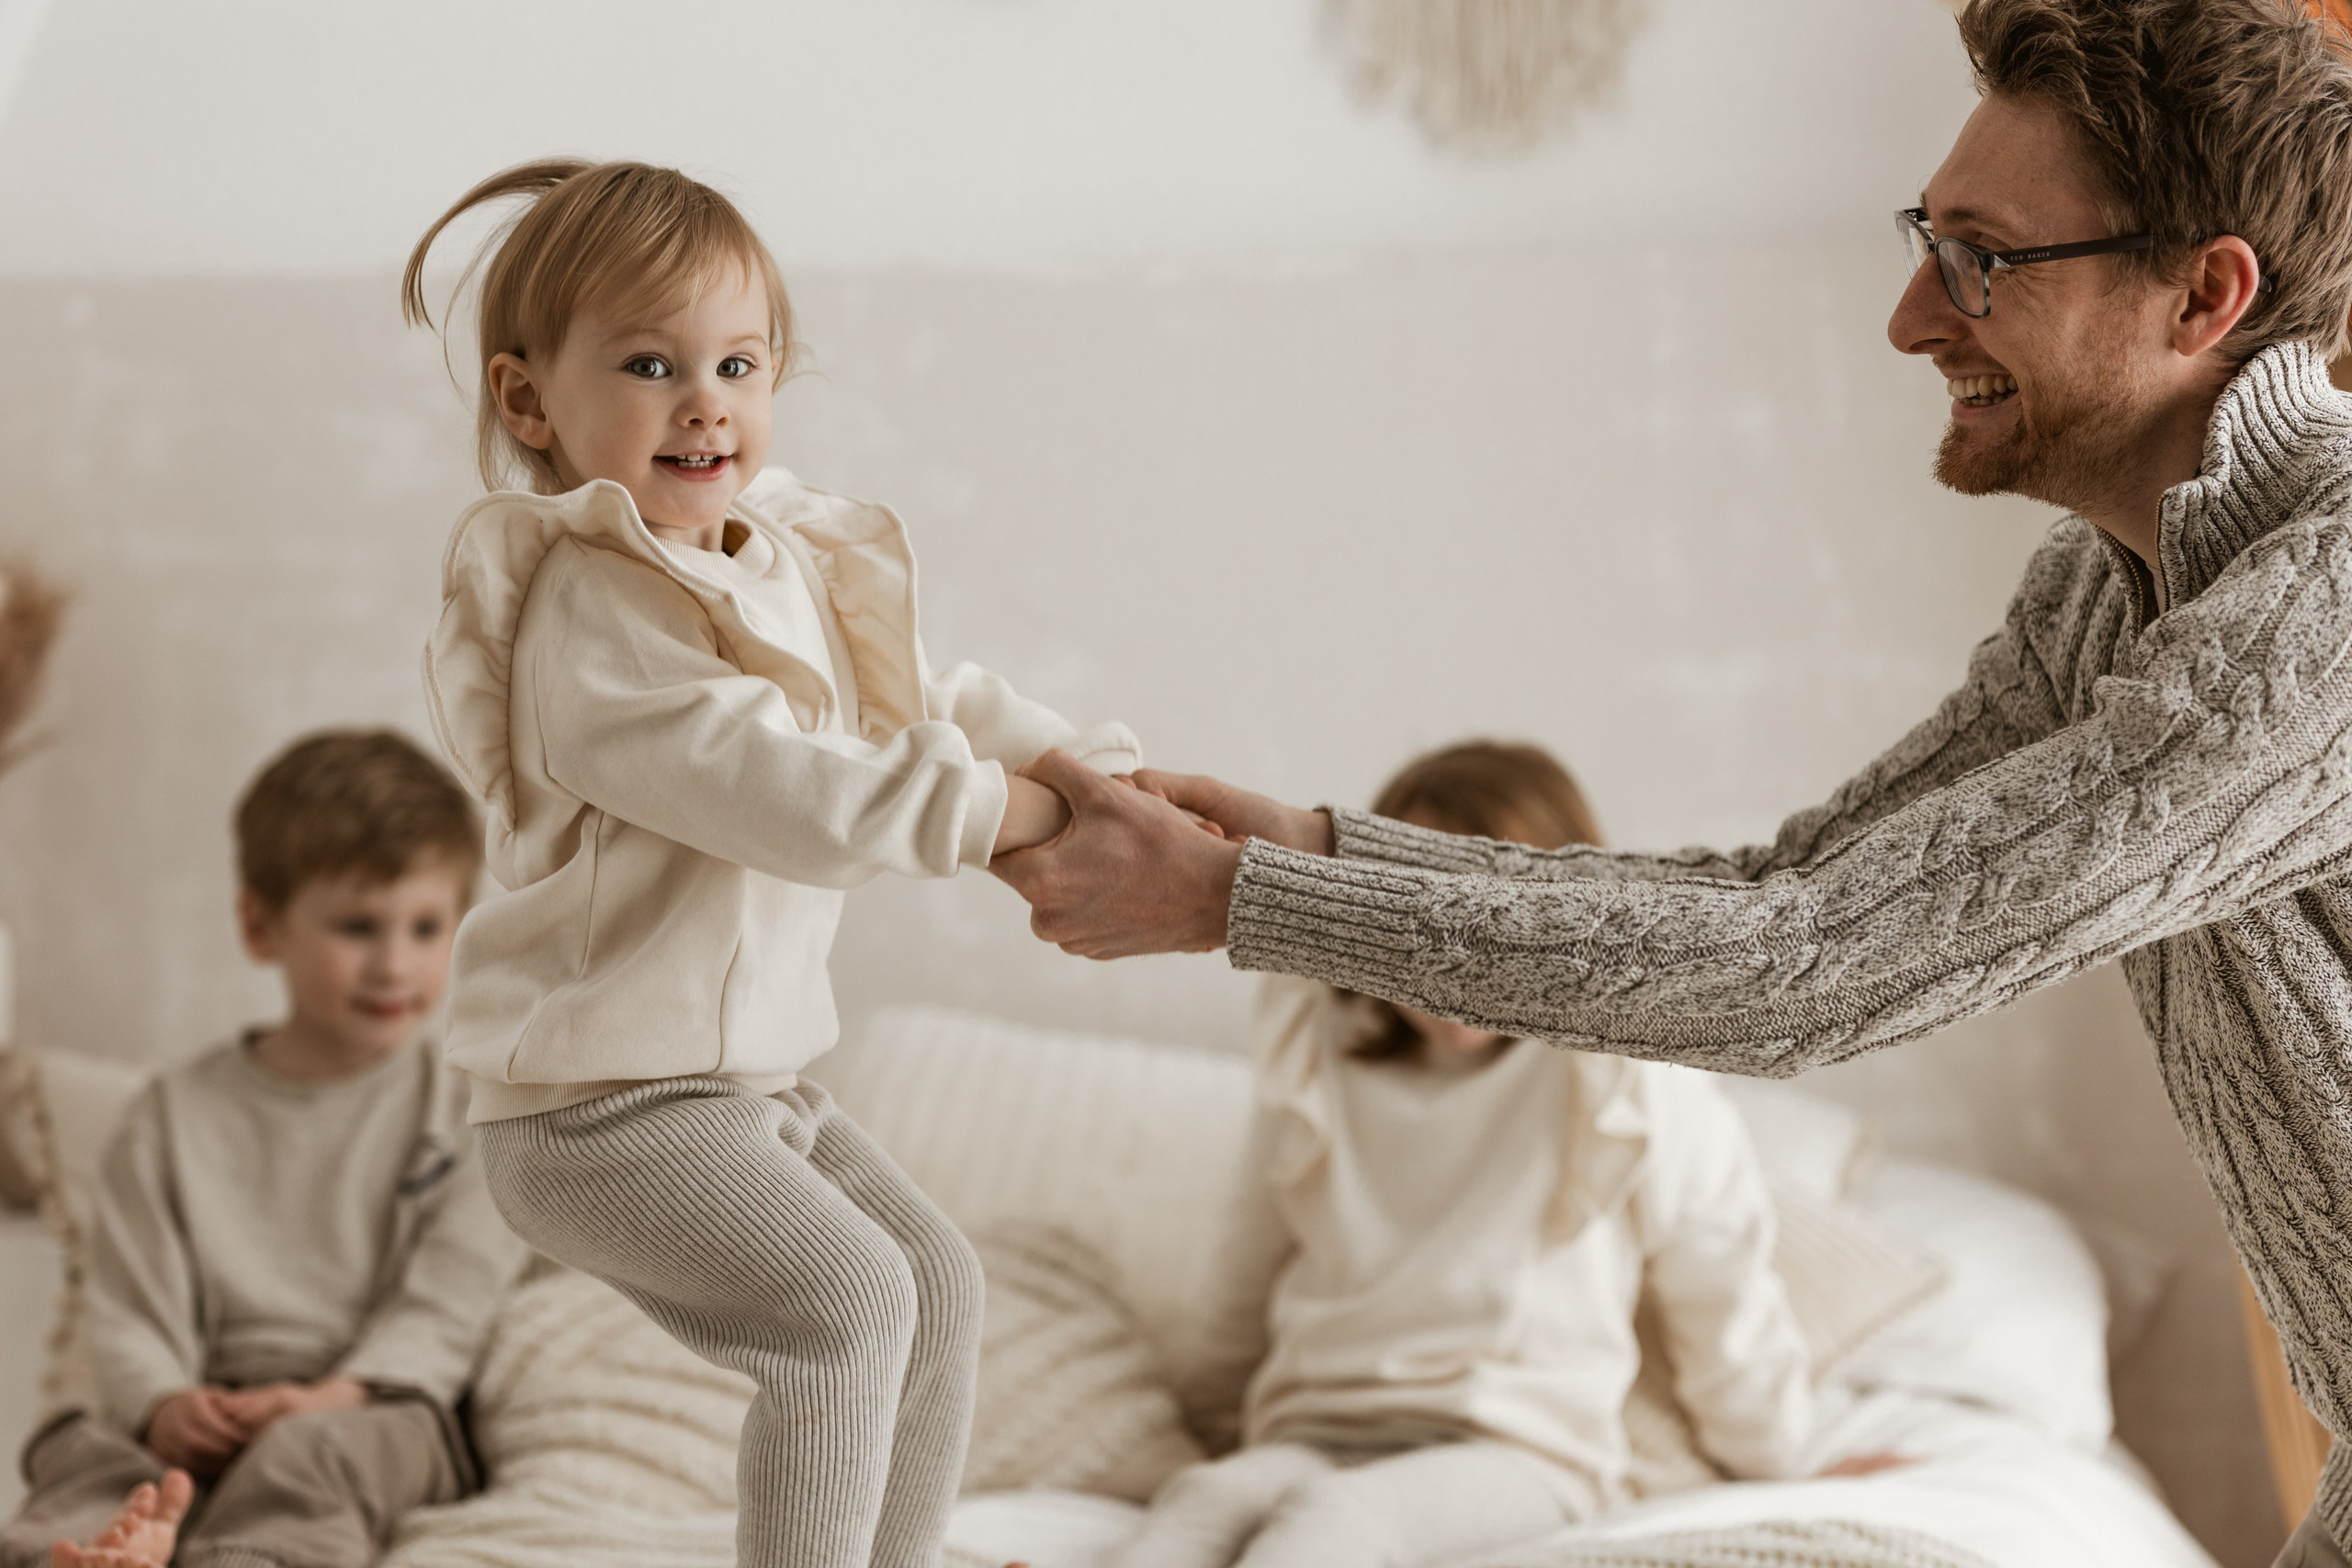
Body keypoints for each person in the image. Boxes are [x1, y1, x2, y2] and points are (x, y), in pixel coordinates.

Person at [992, 2, 2352, 1562]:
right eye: (1928, 238)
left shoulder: (2322, 617)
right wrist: (1317, 848)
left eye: (1980, 254)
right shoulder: (2102, 593)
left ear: (2205, 295)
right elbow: (1784, 891)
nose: (1912, 315)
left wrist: (1249, 903)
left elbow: (1808, 970)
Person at [401, 160, 1141, 1568]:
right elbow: (793, 790)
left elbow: (926, 693)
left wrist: (1095, 775)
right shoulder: (592, 619)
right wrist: (1016, 820)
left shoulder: (773, 556)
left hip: (740, 1088)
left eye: (739, 363)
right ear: (528, 403)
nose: (707, 401)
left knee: (936, 1276)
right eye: (650, 363)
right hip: (594, 1108)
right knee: (848, 1300)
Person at [1114, 742, 1811, 1568]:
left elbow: (1718, 1280)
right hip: (1319, 1422)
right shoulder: (1317, 1041)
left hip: (1515, 1448)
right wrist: (1213, 1427)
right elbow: (1249, 1257)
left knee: (1337, 1524)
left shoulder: (1624, 1069)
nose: (1450, 965)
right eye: (1423, 929)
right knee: (1204, 1500)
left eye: (1488, 927)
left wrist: (1782, 1460)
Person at [1, 729, 529, 1568]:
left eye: (426, 926)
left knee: (309, 1456)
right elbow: (130, 1301)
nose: (395, 963)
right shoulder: (171, 1113)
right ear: (261, 925)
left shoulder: (472, 1111)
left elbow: (449, 1301)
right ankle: (81, 1555)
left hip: (370, 1404)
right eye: (358, 925)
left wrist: (335, 1393)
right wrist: (165, 1402)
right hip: (201, 1399)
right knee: (82, 1448)